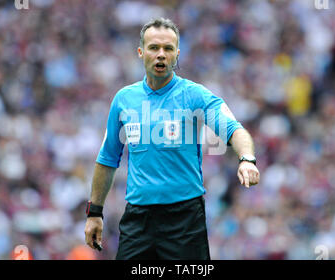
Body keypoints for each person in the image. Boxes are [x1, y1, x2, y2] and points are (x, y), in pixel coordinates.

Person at [84, 18, 260, 260]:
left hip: (185, 221)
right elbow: (107, 158)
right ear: (140, 52)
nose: (161, 55)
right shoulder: (123, 100)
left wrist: (247, 158)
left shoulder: (195, 96)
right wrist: (95, 212)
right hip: (138, 221)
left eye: (168, 49)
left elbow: (234, 130)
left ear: (177, 54)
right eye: (154, 47)